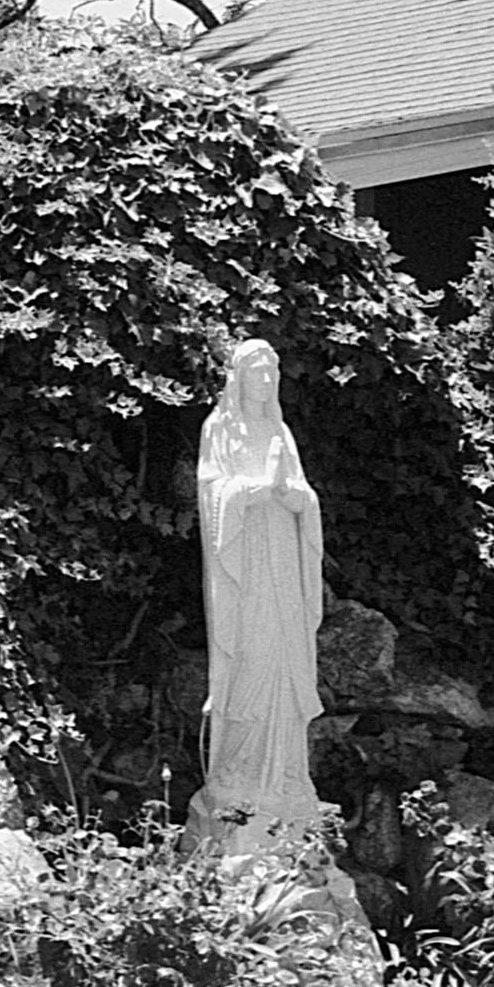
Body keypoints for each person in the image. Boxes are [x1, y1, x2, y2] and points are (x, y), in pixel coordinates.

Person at [187, 339, 324, 850]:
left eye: (272, 373)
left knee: (288, 658)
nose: (265, 382)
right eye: (256, 373)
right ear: (238, 379)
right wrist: (248, 493)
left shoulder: (281, 433)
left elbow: (305, 496)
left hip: (283, 565)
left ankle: (288, 774)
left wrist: (294, 498)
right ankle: (239, 771)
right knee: (251, 656)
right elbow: (211, 491)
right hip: (243, 570)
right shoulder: (219, 430)